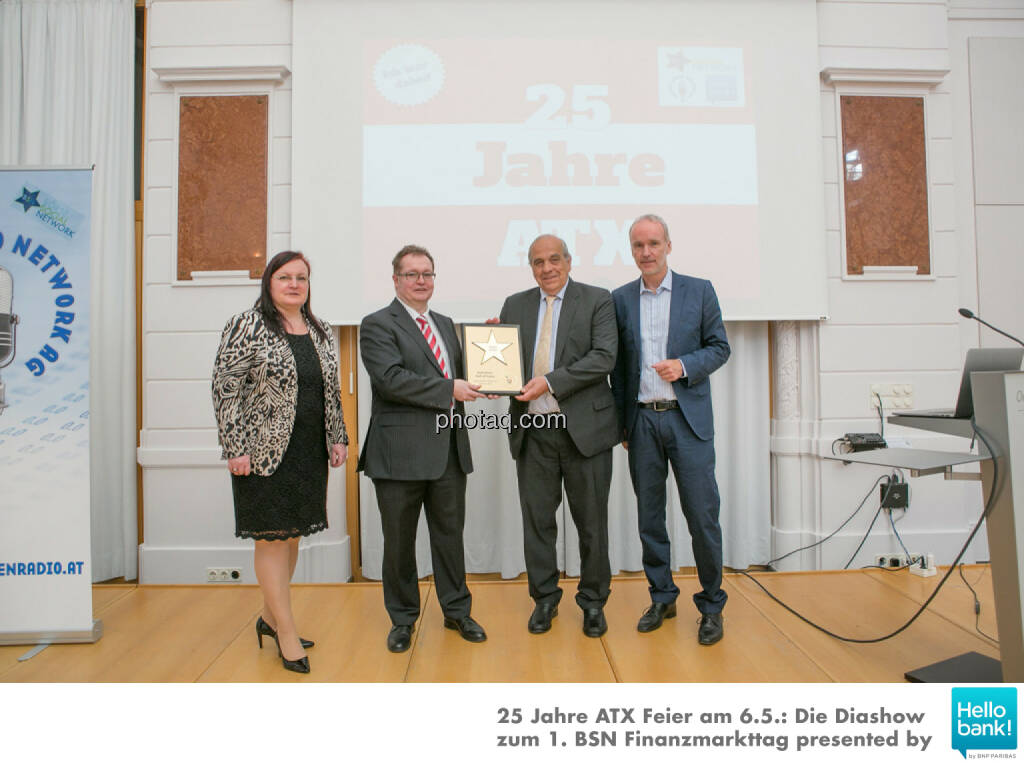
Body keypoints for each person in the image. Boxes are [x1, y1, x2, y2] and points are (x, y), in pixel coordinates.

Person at [211, 251, 348, 674]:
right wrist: (235, 446)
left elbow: (331, 389)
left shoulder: (320, 329)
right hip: (261, 452)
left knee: (291, 537)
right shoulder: (246, 325)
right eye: (285, 277)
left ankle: (270, 619)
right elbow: (225, 389)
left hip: (308, 451)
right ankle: (286, 633)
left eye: (302, 278)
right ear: (269, 283)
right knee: (271, 537)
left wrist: (337, 436)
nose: (294, 284)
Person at [358, 244, 488, 653]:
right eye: (412, 274)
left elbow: (463, 376)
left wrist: (490, 348)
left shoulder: (447, 324)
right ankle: (402, 619)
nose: (420, 281)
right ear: (395, 279)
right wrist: (450, 388)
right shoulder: (377, 324)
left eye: (427, 273)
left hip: (448, 450)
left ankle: (456, 611)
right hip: (398, 455)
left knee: (450, 537)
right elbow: (391, 380)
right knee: (398, 543)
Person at [610, 214, 731, 645]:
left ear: (668, 246)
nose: (647, 252)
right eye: (639, 245)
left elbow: (720, 347)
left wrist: (684, 366)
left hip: (687, 419)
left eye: (654, 244)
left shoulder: (699, 291)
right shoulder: (620, 299)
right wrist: (623, 425)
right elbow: (616, 366)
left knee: (702, 516)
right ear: (632, 250)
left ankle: (712, 603)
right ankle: (662, 596)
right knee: (650, 519)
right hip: (641, 421)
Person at [498, 234, 619, 638]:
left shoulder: (597, 299)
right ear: (530, 267)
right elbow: (505, 368)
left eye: (554, 260)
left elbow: (603, 358)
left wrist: (549, 381)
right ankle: (544, 599)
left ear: (568, 261)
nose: (547, 268)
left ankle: (593, 602)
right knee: (537, 523)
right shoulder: (514, 304)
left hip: (585, 432)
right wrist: (492, 355)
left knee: (592, 523)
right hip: (534, 431)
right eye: (538, 262)